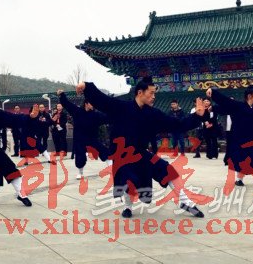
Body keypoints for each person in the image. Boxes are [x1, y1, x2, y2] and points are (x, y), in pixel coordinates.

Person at [77, 77, 207, 218]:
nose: (154, 96)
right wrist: (86, 86)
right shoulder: (121, 108)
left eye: (154, 93)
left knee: (167, 170)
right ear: (140, 92)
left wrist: (196, 116)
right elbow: (102, 100)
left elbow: (177, 124)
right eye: (151, 93)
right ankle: (128, 207)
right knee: (128, 181)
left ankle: (185, 202)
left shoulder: (153, 114)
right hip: (122, 157)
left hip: (141, 154)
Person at [58, 91, 111, 180]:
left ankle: (112, 168)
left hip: (92, 138)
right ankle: (80, 173)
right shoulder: (77, 112)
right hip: (80, 139)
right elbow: (67, 104)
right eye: (91, 103)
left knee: (104, 151)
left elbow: (108, 118)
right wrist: (62, 95)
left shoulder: (96, 115)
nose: (93, 105)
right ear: (86, 104)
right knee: (80, 157)